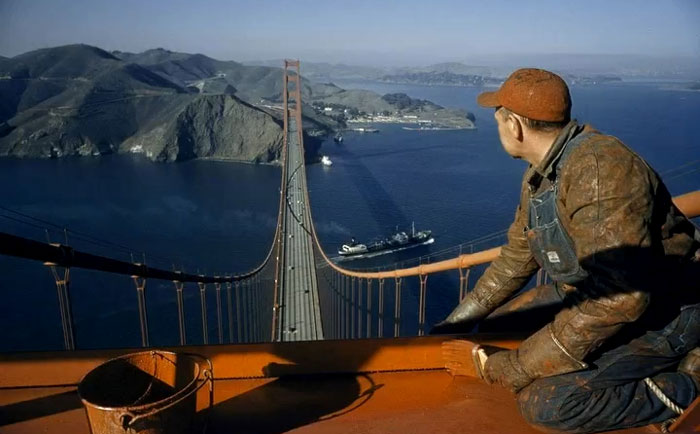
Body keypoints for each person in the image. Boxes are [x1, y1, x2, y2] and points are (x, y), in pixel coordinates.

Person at [432, 68, 700, 433]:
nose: (497, 125)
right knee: (493, 328)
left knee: (547, 403)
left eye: (497, 116)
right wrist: (454, 324)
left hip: (670, 311)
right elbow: (516, 258)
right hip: (595, 296)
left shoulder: (599, 169)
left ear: (515, 125)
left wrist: (507, 368)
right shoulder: (542, 173)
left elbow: (622, 300)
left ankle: (688, 384)